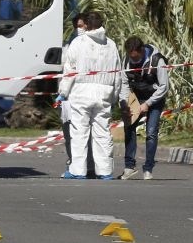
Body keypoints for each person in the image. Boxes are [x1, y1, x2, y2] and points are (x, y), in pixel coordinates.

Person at [57, 12, 121, 180]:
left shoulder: (78, 43)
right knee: (103, 133)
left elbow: (70, 70)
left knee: (79, 133)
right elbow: (117, 74)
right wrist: (114, 96)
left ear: (85, 24)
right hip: (104, 93)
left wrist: (63, 93)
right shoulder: (111, 45)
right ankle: (105, 171)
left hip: (81, 92)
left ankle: (78, 170)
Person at [118, 36, 169, 180]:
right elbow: (124, 84)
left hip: (155, 98)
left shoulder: (156, 60)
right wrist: (124, 103)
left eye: (136, 58)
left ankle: (148, 168)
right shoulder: (126, 61)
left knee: (151, 132)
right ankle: (129, 166)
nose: (134, 61)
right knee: (129, 127)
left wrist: (148, 104)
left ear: (142, 51)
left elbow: (164, 86)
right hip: (136, 97)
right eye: (131, 57)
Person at [59, 13, 87, 166]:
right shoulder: (69, 45)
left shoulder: (93, 46)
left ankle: (82, 164)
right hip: (67, 95)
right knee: (67, 130)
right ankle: (72, 160)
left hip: (82, 93)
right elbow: (66, 70)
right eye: (77, 26)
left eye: (82, 26)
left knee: (82, 132)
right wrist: (62, 93)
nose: (79, 29)